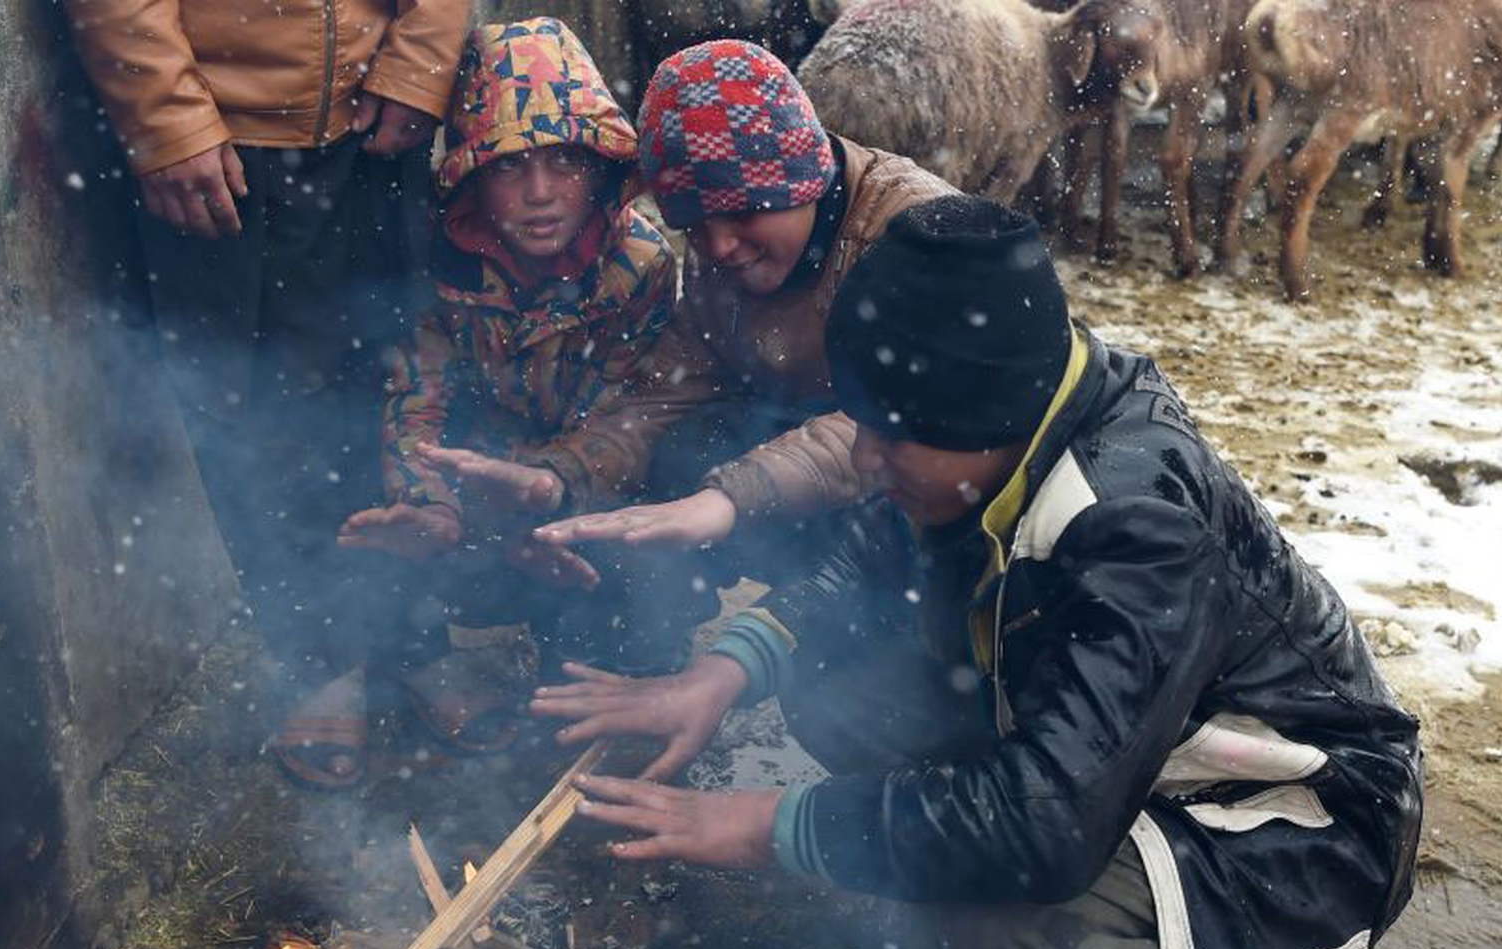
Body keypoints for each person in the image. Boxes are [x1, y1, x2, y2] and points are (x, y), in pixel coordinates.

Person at [532, 196, 1424, 949]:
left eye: (891, 431)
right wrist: (722, 673)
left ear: (985, 413)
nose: (867, 455)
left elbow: (1044, 828)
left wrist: (767, 824)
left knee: (1011, 924)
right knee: (840, 697)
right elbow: (863, 564)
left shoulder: (1134, 520)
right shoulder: (999, 427)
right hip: (1118, 759)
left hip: (1301, 817)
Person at [272, 17, 682, 787]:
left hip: (575, 494)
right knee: (372, 515)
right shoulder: (439, 264)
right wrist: (430, 505)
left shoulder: (640, 264)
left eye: (565, 161)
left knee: (645, 584)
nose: (539, 193)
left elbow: (629, 417)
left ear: (601, 166)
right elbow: (415, 399)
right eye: (508, 166)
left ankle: (599, 658)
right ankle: (387, 659)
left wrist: (551, 499)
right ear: (469, 178)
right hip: (471, 492)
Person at [65, 0, 471, 712]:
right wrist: (169, 118)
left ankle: (414, 640)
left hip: (376, 109)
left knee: (398, 375)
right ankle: (317, 665)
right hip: (227, 133)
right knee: (257, 411)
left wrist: (421, 60)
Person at [515, 38, 956, 580]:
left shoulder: (916, 234)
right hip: (796, 451)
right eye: (694, 225)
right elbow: (663, 396)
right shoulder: (725, 259)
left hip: (917, 491)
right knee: (683, 450)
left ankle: (825, 620)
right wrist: (564, 476)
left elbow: (904, 421)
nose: (719, 247)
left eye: (741, 211)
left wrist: (727, 500)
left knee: (890, 501)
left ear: (805, 179)